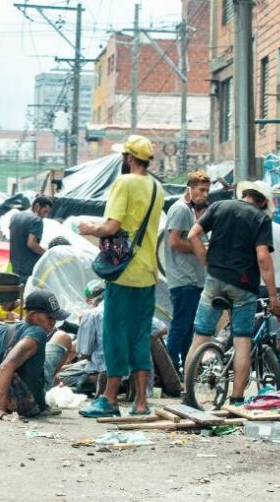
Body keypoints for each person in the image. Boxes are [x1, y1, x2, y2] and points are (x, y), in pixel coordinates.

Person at [78, 135, 164, 418]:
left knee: (114, 334)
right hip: (148, 272)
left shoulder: (124, 183)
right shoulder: (157, 187)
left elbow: (112, 226)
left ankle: (110, 399)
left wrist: (91, 228)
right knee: (140, 336)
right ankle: (141, 403)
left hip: (124, 272)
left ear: (128, 158)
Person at [185, 180, 280, 405]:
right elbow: (263, 258)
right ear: (263, 201)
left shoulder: (220, 206)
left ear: (245, 194)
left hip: (214, 281)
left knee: (200, 338)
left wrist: (207, 263)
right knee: (242, 342)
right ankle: (237, 399)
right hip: (243, 288)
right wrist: (273, 295)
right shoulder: (261, 219)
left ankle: (187, 395)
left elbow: (192, 235)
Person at [0, 290, 70, 420]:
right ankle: (47, 383)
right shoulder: (38, 332)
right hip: (26, 403)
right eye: (50, 318)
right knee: (64, 338)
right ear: (33, 315)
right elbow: (6, 366)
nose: (53, 323)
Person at [164, 171, 211, 370]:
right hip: (184, 280)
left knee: (188, 328)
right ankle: (172, 369)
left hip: (194, 279)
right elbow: (174, 242)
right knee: (181, 326)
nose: (205, 194)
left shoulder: (192, 211)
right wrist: (200, 248)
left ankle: (186, 369)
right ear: (190, 189)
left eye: (207, 191)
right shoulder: (181, 210)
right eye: (201, 190)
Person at [9, 196, 53, 285]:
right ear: (37, 206)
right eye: (44, 211)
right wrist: (46, 253)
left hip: (15, 264)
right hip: (29, 267)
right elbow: (31, 244)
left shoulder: (15, 216)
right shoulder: (36, 220)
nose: (45, 216)